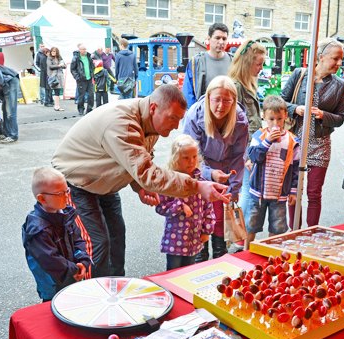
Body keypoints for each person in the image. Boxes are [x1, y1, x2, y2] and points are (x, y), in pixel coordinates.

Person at [52, 85, 230, 278]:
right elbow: (147, 172)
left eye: (180, 119)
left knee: (116, 238)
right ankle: (97, 294)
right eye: (172, 118)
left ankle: (116, 288)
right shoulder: (123, 123)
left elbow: (139, 160)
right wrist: (197, 185)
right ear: (153, 108)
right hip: (76, 183)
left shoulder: (149, 122)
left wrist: (139, 186)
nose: (176, 126)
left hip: (103, 182)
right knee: (98, 244)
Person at [281, 38, 344, 228]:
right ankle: (294, 231)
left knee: (314, 193)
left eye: (341, 59)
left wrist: (323, 115)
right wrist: (296, 109)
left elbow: (341, 117)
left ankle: (311, 233)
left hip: (320, 144)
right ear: (320, 57)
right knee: (294, 191)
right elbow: (279, 102)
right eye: (336, 58)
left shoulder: (339, 85)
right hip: (294, 143)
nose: (339, 63)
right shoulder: (299, 75)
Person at [183, 75, 248, 261]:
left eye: (227, 100)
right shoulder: (195, 115)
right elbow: (188, 156)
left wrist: (234, 188)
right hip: (197, 171)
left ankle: (221, 258)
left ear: (234, 101)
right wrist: (208, 173)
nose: (221, 106)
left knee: (219, 221)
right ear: (208, 97)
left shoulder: (240, 119)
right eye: (217, 99)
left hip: (225, 172)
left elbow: (239, 156)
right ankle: (200, 260)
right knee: (198, 220)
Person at [22, 168, 92, 302]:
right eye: (60, 194)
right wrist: (74, 270)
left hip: (71, 274)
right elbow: (50, 259)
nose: (67, 196)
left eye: (67, 191)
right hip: (53, 283)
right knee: (55, 307)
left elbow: (78, 239)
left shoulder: (66, 214)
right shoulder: (38, 229)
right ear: (42, 198)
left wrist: (82, 261)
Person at [244, 95, 300, 250]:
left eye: (279, 119)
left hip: (279, 194)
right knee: (251, 225)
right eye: (271, 119)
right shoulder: (259, 136)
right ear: (264, 117)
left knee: (277, 228)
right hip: (258, 193)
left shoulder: (292, 141)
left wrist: (293, 191)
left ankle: (272, 256)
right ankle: (246, 251)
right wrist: (267, 142)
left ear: (285, 117)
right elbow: (254, 157)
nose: (276, 124)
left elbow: (295, 168)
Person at [155, 135, 216, 270]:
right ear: (176, 159)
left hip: (194, 238)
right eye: (186, 158)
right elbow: (160, 206)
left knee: (189, 270)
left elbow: (208, 207)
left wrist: (207, 230)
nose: (191, 161)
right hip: (175, 240)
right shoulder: (169, 181)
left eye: (194, 157)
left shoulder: (200, 180)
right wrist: (179, 206)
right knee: (173, 271)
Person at [228, 39, 266, 223]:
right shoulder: (236, 87)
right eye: (258, 64)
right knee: (246, 191)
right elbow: (236, 125)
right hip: (245, 148)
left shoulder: (246, 84)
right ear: (247, 63)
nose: (261, 68)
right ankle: (240, 236)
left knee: (247, 190)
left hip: (250, 146)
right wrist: (246, 154)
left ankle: (240, 235)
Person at [182, 23, 232, 108]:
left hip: (228, 113)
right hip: (203, 115)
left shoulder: (233, 62)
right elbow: (188, 93)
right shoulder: (196, 62)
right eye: (217, 38)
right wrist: (196, 114)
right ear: (209, 39)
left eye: (224, 39)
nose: (221, 42)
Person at [70, 44, 95, 114]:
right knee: (81, 96)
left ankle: (89, 109)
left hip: (89, 79)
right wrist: (77, 77)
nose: (85, 50)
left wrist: (92, 73)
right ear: (79, 50)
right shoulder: (76, 58)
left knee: (91, 95)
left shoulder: (89, 57)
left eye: (85, 49)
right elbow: (72, 69)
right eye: (83, 49)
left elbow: (92, 66)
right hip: (81, 80)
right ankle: (81, 109)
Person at [47, 46, 67, 112]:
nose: (53, 52)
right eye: (52, 51)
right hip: (54, 76)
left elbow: (64, 66)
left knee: (58, 90)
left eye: (54, 51)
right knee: (56, 91)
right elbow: (50, 66)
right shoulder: (49, 58)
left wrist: (62, 65)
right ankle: (56, 106)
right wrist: (59, 66)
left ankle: (57, 106)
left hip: (60, 76)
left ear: (57, 52)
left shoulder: (59, 57)